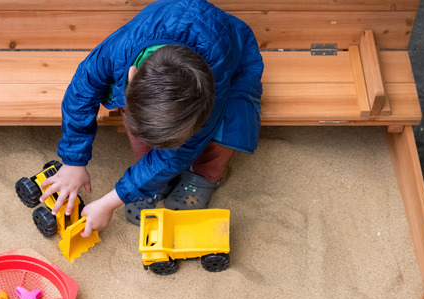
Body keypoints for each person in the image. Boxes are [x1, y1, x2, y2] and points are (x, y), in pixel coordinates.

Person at [39, 0, 264, 237]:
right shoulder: (121, 51)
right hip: (162, 40)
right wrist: (74, 161)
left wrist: (109, 202)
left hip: (233, 68)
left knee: (226, 132)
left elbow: (178, 154)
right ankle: (150, 177)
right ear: (133, 75)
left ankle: (204, 176)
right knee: (145, 130)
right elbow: (81, 90)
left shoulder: (212, 88)